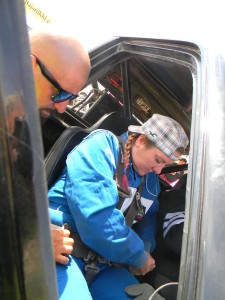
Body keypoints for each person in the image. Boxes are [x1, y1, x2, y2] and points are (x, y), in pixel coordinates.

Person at [48, 113, 189, 299]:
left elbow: (148, 218)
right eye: (158, 160)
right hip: (62, 246)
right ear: (140, 140)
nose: (159, 170)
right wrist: (138, 255)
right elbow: (97, 221)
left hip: (106, 263)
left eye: (165, 165)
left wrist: (145, 247)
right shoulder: (103, 147)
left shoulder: (151, 184)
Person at [8, 26, 91, 264]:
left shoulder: (20, 125)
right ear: (28, 64)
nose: (62, 108)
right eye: (58, 93)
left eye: (70, 98)